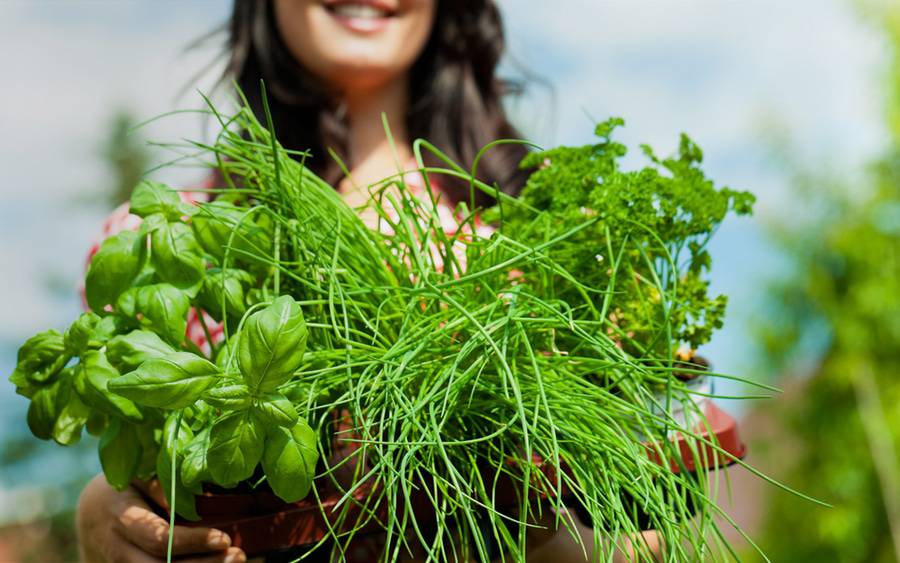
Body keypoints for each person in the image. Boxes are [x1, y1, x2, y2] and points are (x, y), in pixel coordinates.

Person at [76, 1, 660, 561]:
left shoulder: (557, 226)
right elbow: (157, 460)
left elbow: (658, 514)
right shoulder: (170, 241)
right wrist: (100, 508)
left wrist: (566, 552)